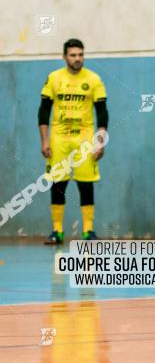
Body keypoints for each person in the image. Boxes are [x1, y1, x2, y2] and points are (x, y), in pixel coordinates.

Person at [39, 38, 108, 243]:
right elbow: (43, 111)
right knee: (58, 184)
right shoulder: (53, 78)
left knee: (86, 184)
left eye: (80, 55)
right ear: (64, 57)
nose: (78, 59)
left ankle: (88, 231)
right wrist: (44, 140)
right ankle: (57, 231)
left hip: (84, 137)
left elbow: (102, 112)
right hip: (59, 137)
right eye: (73, 55)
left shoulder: (94, 79)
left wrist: (100, 140)